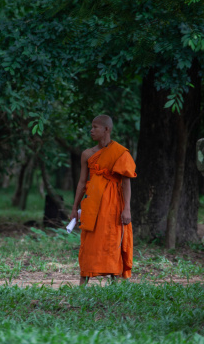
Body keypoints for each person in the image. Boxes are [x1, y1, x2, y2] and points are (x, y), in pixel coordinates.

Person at [70, 115, 137, 285]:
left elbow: (126, 182)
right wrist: (74, 207)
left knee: (112, 240)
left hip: (113, 204)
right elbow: (82, 182)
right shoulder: (87, 154)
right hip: (92, 203)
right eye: (91, 127)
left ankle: (115, 281)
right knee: (89, 241)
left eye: (95, 127)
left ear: (107, 129)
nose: (91, 130)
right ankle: (83, 282)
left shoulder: (120, 152)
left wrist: (127, 208)